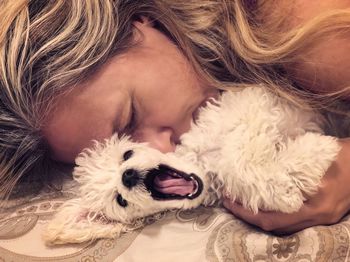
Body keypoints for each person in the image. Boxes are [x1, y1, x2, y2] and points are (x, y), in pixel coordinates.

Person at [0, 0, 350, 234]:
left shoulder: (303, 35)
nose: (162, 150)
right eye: (122, 149)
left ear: (140, 25)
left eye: (129, 117)